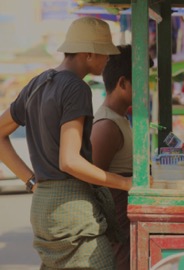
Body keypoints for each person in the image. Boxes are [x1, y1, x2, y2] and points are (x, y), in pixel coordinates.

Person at [0, 17, 132, 269]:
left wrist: (30, 182)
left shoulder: (36, 85)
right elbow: (69, 160)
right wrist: (125, 183)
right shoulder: (76, 88)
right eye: (105, 54)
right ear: (89, 53)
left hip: (42, 208)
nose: (107, 61)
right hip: (71, 210)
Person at [91, 44, 148, 270]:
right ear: (123, 83)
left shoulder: (122, 118)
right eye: (142, 82)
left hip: (126, 223)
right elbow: (92, 179)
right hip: (117, 227)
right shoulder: (107, 125)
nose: (146, 90)